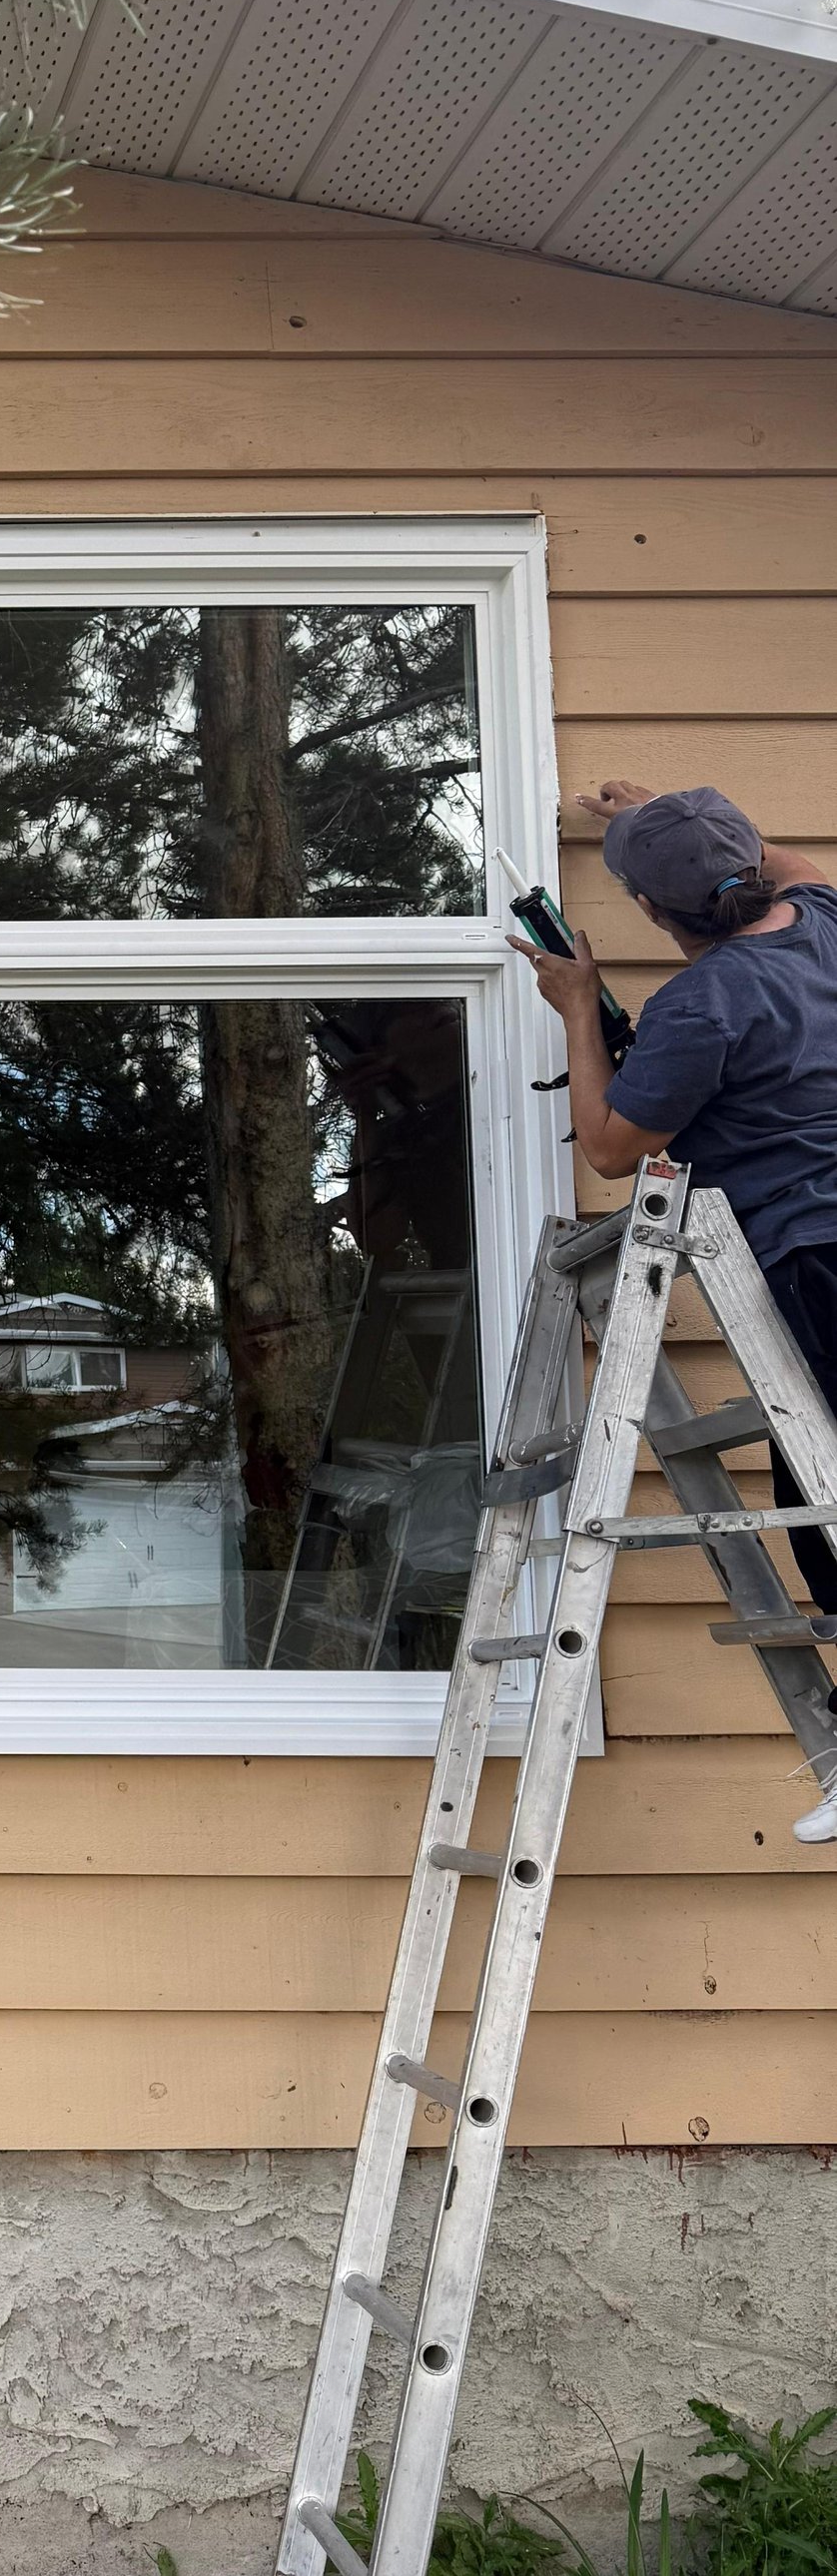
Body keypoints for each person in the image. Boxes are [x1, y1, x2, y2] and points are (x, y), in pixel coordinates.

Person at [510, 779, 837, 1844]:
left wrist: (576, 1009)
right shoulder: (826, 921)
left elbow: (611, 1148)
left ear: (656, 916)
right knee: (815, 1483)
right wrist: (665, 820)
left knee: (825, 1494)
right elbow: (785, 869)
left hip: (814, 1255)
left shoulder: (708, 1004)